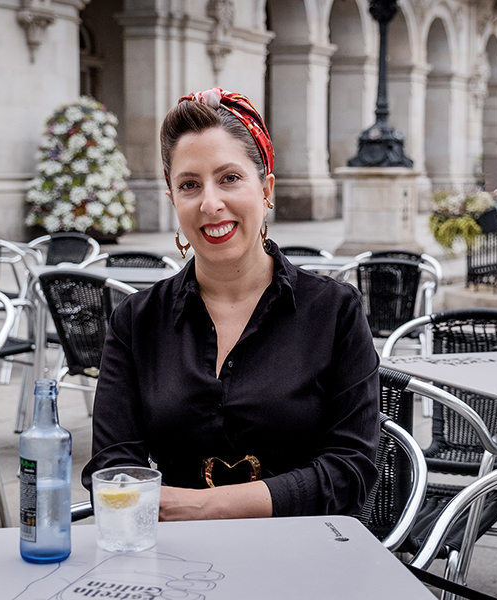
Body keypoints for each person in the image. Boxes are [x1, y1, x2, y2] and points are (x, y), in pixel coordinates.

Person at [81, 88, 380, 520]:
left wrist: (200, 506)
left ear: (266, 188)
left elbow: (350, 472)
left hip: (303, 548)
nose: (210, 203)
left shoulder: (335, 311)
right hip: (175, 553)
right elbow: (112, 469)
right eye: (189, 185)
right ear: (173, 199)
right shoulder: (136, 320)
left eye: (229, 178)